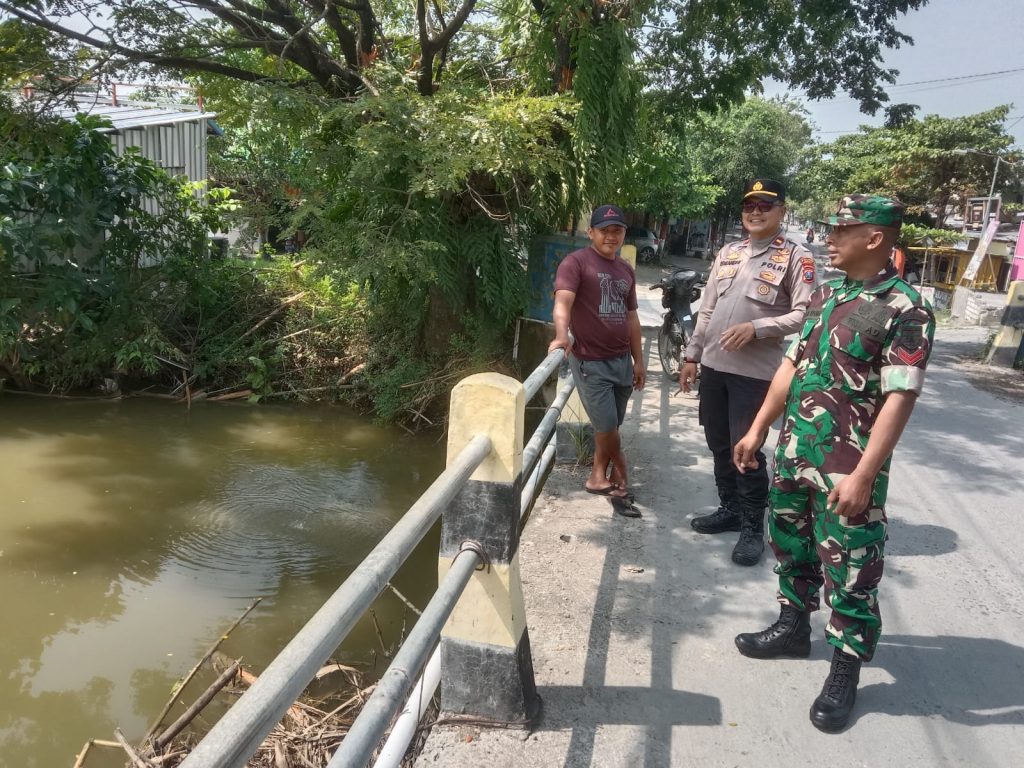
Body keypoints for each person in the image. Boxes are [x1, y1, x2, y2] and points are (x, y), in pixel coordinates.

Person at [732, 194, 935, 732]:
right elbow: (790, 367)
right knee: (791, 547)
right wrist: (758, 430)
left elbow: (900, 397)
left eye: (842, 229)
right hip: (797, 454)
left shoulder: (906, 308)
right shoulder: (827, 293)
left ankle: (845, 668)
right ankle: (794, 628)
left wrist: (866, 473)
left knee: (850, 571)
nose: (830, 238)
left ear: (874, 238)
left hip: (848, 468)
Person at [679, 179, 816, 565]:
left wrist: (758, 328)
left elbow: (806, 314)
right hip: (713, 368)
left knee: (747, 448)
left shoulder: (796, 257)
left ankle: (754, 526)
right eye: (749, 206)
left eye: (765, 206)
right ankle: (731, 509)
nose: (756, 212)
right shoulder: (729, 252)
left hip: (754, 374)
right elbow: (706, 310)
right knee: (718, 443)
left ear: (782, 211)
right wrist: (692, 356)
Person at [549, 204, 646, 517]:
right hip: (591, 362)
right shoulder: (576, 263)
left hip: (621, 361)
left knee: (612, 426)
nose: (611, 235)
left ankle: (595, 477)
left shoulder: (625, 270)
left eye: (617, 230)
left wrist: (639, 361)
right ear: (590, 232)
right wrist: (562, 334)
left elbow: (632, 318)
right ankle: (622, 478)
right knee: (607, 427)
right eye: (605, 230)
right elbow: (563, 302)